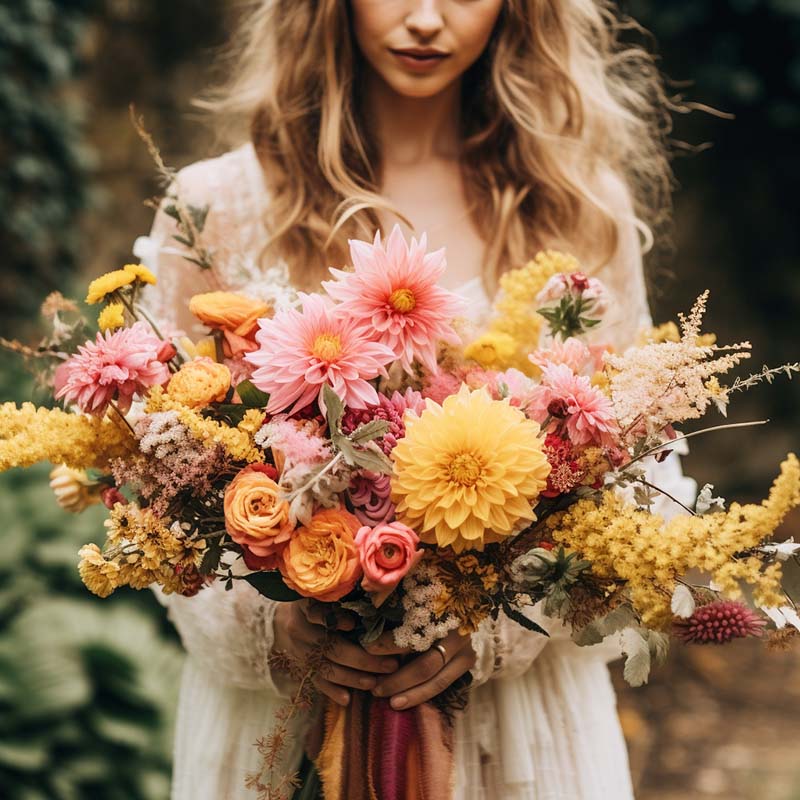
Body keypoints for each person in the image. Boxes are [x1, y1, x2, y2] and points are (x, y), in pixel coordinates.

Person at [138, 1, 697, 797]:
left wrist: (501, 623)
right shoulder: (217, 207)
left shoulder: (579, 204)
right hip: (290, 724)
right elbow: (157, 482)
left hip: (521, 732)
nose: (427, 18)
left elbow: (641, 469)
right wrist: (278, 626)